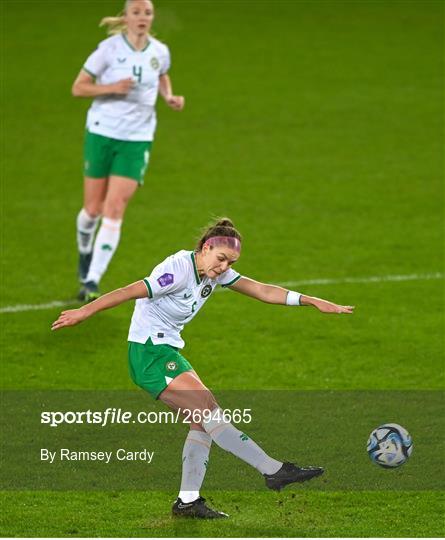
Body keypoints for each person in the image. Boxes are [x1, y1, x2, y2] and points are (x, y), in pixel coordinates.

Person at [52, 218, 354, 519]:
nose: (224, 267)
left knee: (202, 422)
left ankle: (187, 502)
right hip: (148, 354)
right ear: (205, 247)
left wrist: (311, 301)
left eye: (230, 262)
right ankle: (273, 470)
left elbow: (262, 290)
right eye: (221, 259)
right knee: (209, 411)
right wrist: (85, 311)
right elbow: (130, 290)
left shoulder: (212, 273)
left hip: (166, 350)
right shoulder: (178, 270)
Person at [72, 0, 184, 302]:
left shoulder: (159, 51)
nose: (142, 18)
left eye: (147, 13)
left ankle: (92, 280)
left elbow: (162, 74)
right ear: (127, 17)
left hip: (137, 138)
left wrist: (169, 96)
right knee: (92, 210)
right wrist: (110, 88)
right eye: (136, 12)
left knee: (116, 207)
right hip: (102, 132)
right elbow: (79, 87)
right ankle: (85, 250)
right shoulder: (109, 49)